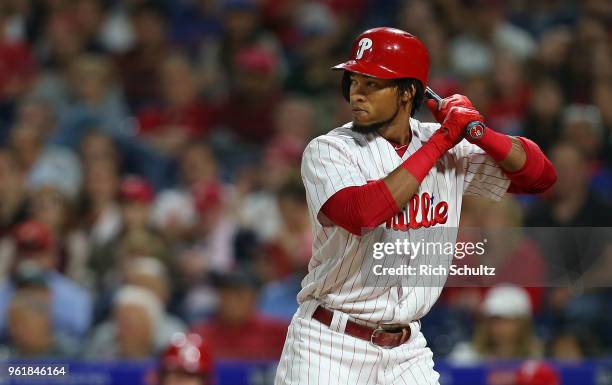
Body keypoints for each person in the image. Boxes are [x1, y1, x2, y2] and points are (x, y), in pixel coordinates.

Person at [274, 27, 556, 385]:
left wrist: (480, 133)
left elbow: (540, 177)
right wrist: (442, 141)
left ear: (408, 91)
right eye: (354, 80)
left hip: (406, 350)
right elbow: (363, 213)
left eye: (373, 83)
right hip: (330, 341)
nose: (357, 93)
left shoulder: (446, 144)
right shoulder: (330, 150)